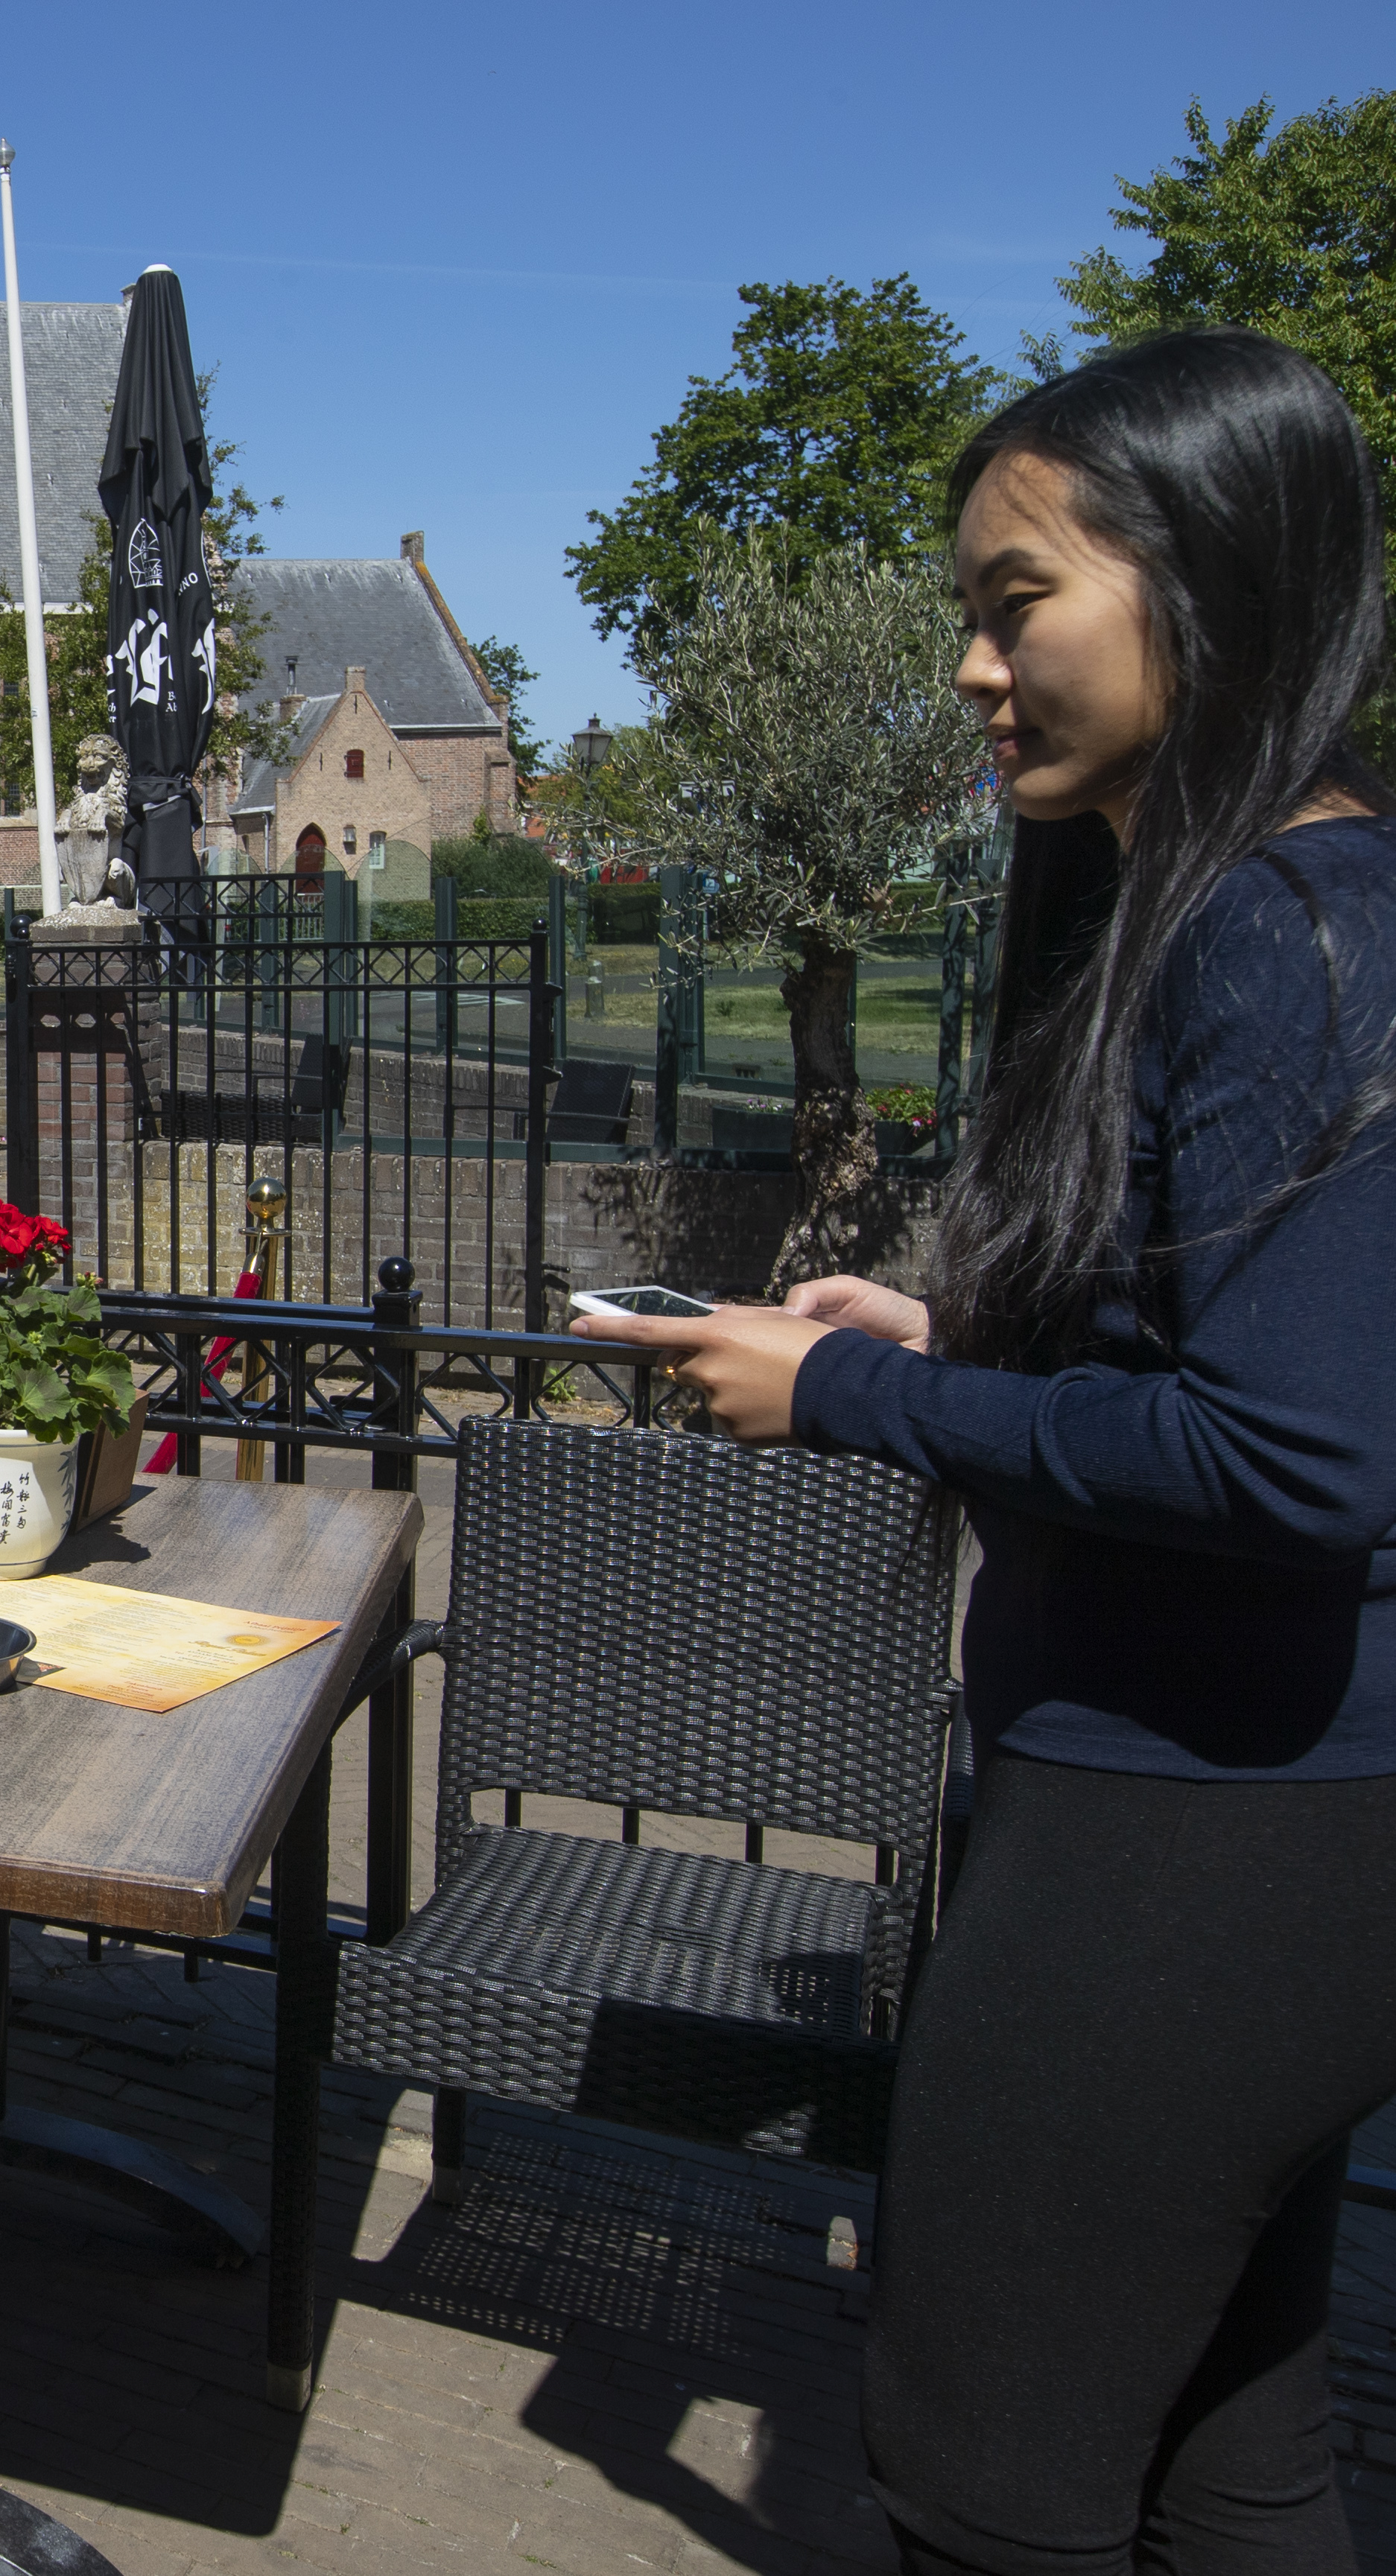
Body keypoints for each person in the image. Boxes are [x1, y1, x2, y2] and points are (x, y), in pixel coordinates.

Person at [586, 330, 1395, 2576]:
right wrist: (954, 1331)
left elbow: (1301, 1460)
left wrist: (846, 1393)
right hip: (1264, 1817)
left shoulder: (1288, 926)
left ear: (1202, 578)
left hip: (1202, 1832)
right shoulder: (1250, 908)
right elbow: (1252, 1343)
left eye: (1013, 596)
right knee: (1234, 2460)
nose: (969, 663)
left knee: (986, 2485)